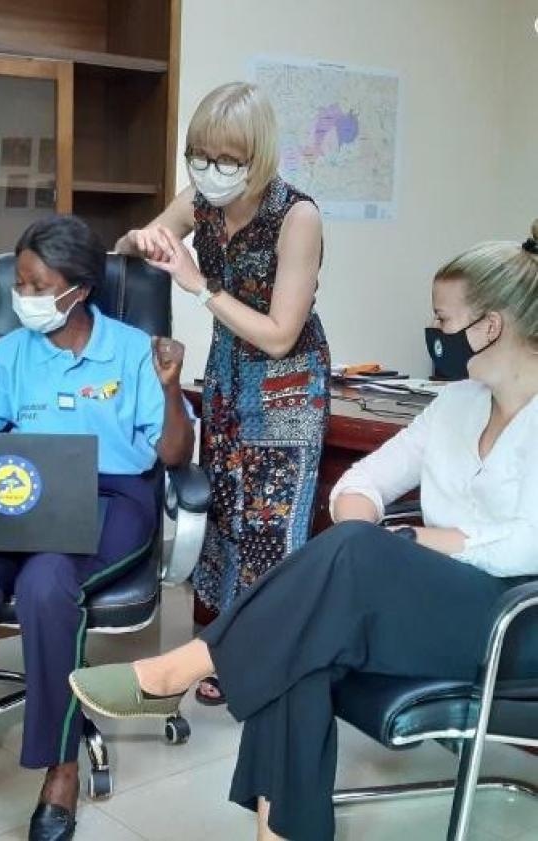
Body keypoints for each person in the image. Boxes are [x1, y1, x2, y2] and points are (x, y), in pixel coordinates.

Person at [68, 224, 538, 841]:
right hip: (429, 604)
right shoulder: (455, 405)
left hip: (512, 624)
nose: (436, 335)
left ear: (491, 326)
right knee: (298, 645)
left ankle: (178, 672)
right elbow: (361, 484)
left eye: (443, 319)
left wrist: (427, 544)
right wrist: (370, 538)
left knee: (313, 606)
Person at [0, 214, 196, 841]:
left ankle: (60, 768)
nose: (24, 296)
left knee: (47, 581)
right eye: (20, 281)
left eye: (38, 284)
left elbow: (174, 455)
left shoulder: (132, 350)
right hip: (24, 492)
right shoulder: (11, 352)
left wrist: (172, 388)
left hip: (110, 498)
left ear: (80, 288)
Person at [116, 82, 330, 705]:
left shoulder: (298, 216)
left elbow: (280, 333)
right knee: (227, 517)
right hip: (229, 383)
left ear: (259, 157)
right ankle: (222, 652)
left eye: (227, 161)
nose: (210, 172)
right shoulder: (205, 200)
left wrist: (199, 284)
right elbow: (146, 238)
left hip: (286, 390)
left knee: (271, 533)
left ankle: (265, 666)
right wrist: (143, 240)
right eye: (199, 157)